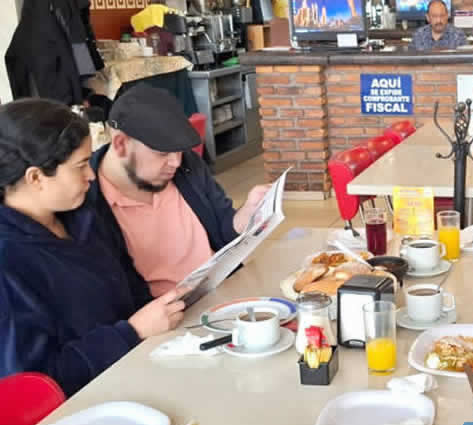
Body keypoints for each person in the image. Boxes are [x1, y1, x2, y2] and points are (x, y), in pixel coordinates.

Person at [0, 99, 186, 396]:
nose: (90, 175)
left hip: (142, 364)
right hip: (87, 405)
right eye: (81, 165)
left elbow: (128, 279)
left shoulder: (81, 214)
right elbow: (35, 384)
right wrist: (131, 332)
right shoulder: (9, 262)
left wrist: (159, 315)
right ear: (35, 177)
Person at [88, 84, 270, 298]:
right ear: (120, 144)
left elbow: (224, 231)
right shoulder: (87, 200)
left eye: (179, 151)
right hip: (165, 319)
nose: (175, 162)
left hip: (225, 291)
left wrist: (249, 211)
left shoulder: (187, 166)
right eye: (162, 153)